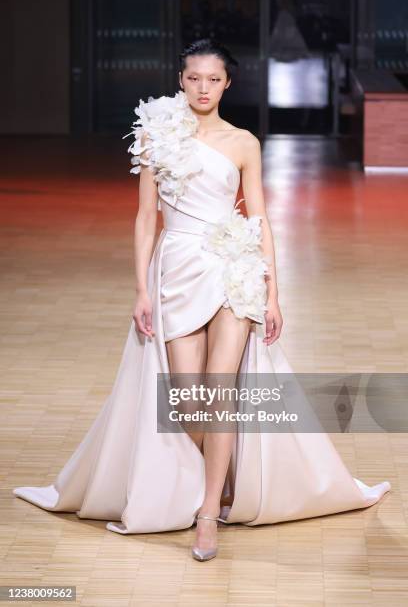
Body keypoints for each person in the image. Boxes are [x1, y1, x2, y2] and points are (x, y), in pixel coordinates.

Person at [13, 38, 391, 563]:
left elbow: (258, 219)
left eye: (214, 79)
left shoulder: (243, 143)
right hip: (176, 271)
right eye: (194, 78)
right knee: (186, 401)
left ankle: (209, 511)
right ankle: (216, 475)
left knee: (219, 395)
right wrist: (141, 288)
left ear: (228, 84)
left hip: (232, 270)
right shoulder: (156, 136)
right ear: (181, 79)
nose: (204, 88)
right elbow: (146, 217)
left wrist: (274, 293)